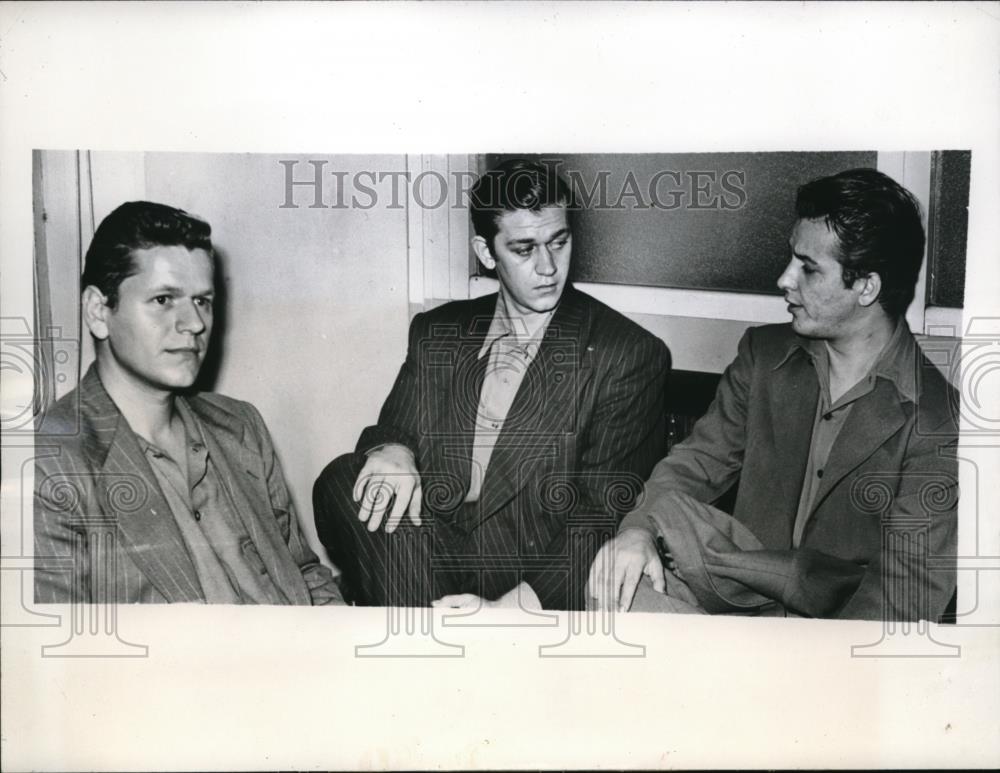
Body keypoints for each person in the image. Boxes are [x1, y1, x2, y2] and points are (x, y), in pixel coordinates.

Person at [588, 168, 958, 622]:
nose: (784, 279)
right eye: (791, 260)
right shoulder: (763, 356)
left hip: (835, 645)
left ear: (867, 287)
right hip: (729, 610)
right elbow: (696, 463)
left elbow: (904, 596)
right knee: (616, 588)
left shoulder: (941, 421)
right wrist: (637, 530)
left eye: (808, 268)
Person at [314, 159, 671, 610]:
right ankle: (438, 641)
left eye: (558, 243)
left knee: (393, 564)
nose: (548, 267)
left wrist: (510, 610)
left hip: (525, 573)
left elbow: (601, 512)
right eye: (524, 249)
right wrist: (394, 451)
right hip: (423, 552)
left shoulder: (627, 352)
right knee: (346, 477)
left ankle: (433, 650)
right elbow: (396, 429)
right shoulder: (437, 331)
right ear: (486, 253)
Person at [34, 201, 342, 605]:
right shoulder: (48, 462)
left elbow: (304, 573)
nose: (195, 324)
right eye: (164, 300)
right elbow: (57, 652)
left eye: (202, 301)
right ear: (98, 311)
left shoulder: (240, 425)